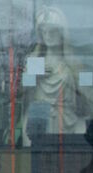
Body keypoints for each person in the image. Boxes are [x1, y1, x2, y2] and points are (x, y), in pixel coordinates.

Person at [20, 6, 87, 147]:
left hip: (67, 121)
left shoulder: (72, 63)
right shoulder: (34, 61)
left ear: (62, 33)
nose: (48, 36)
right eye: (44, 32)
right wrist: (32, 77)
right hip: (39, 120)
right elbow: (21, 93)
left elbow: (84, 95)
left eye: (53, 31)